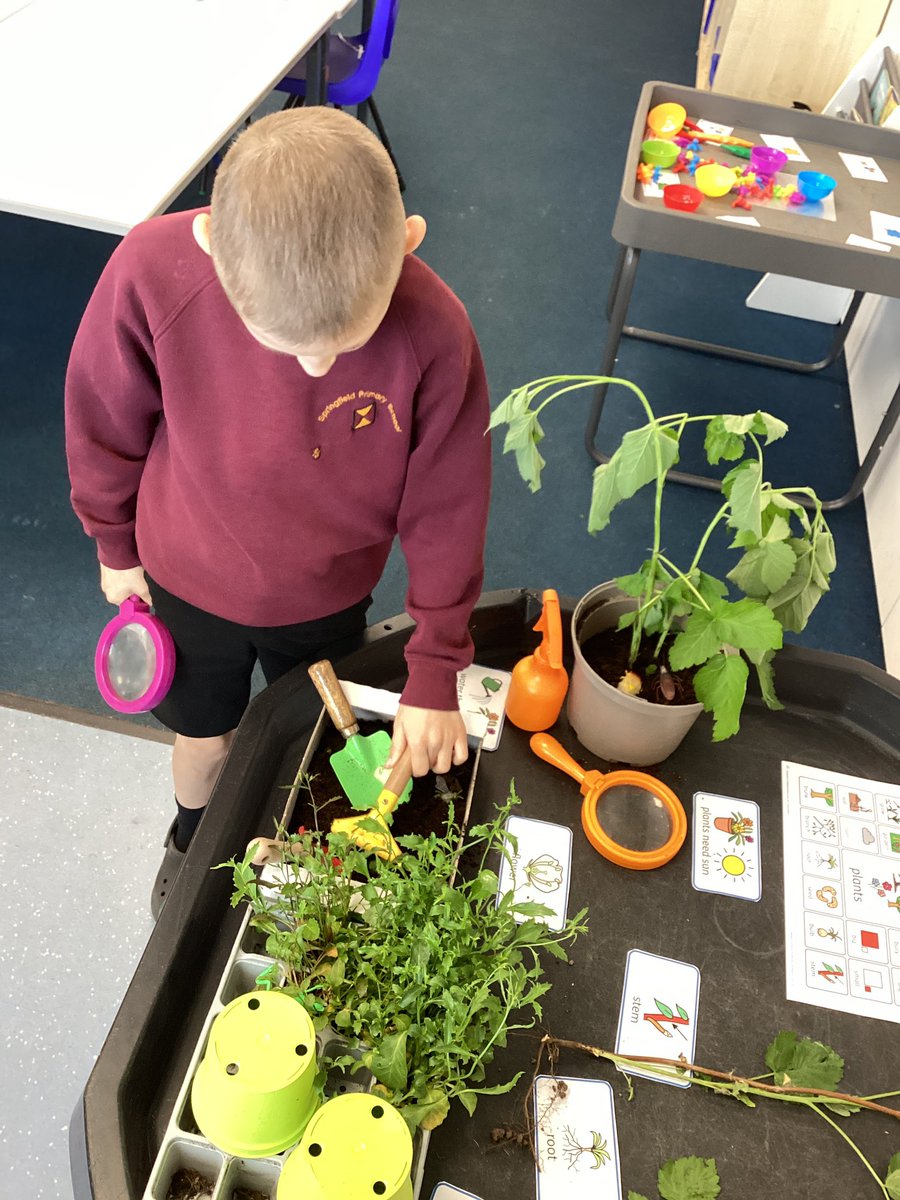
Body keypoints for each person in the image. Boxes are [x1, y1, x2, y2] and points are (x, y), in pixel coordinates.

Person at [65, 107, 491, 917]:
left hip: (326, 597)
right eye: (287, 343)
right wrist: (113, 542)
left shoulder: (438, 332)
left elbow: (450, 505)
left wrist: (436, 666)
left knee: (315, 745)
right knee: (205, 740)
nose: (318, 365)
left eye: (342, 341)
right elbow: (102, 417)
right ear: (211, 251)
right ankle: (190, 841)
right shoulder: (151, 268)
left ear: (407, 241)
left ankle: (296, 859)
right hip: (184, 579)